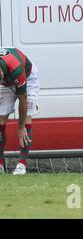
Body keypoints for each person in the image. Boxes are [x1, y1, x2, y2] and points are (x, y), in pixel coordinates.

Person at [0, 47, 39, 175]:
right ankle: (0, 165)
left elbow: (23, 100)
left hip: (28, 77)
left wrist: (20, 126)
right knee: (0, 121)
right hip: (7, 82)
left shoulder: (15, 68)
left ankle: (22, 164)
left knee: (26, 116)